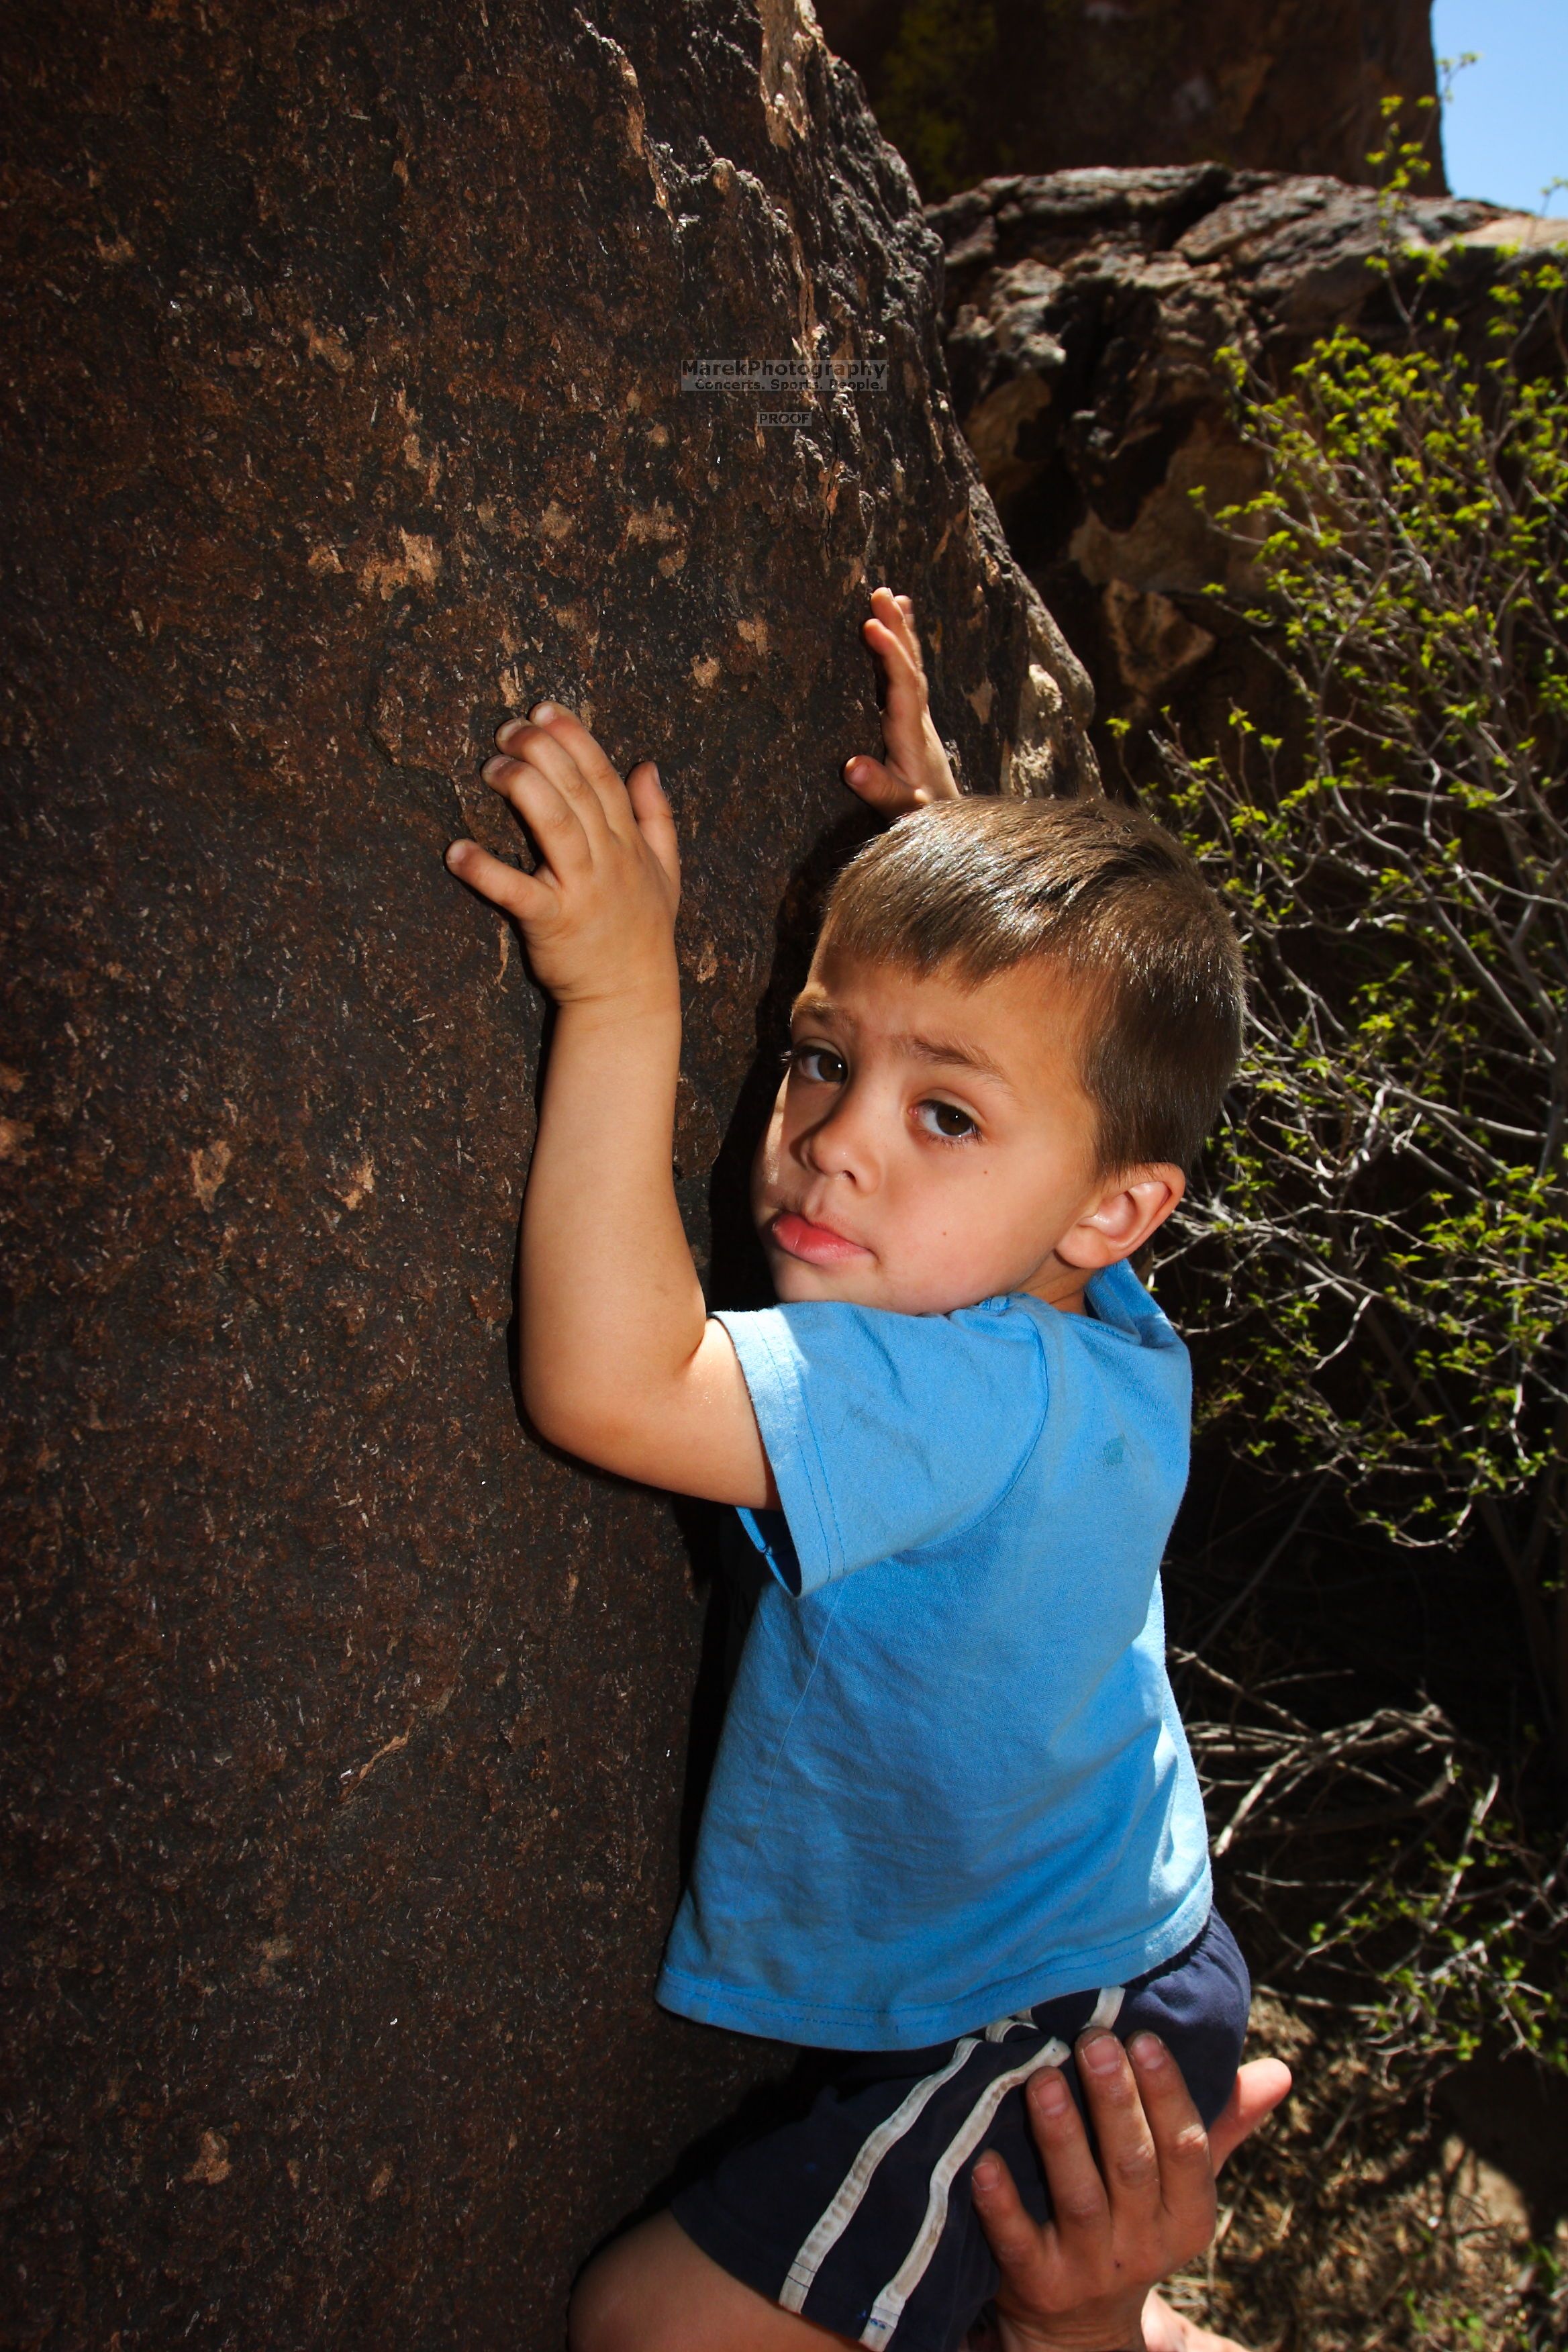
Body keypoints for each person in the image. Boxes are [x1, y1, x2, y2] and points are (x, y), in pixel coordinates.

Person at [445, 589, 1259, 2352]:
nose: (830, 1139)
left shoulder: (944, 1395)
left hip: (1045, 2029)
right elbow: (1057, 1105)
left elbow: (615, 1380)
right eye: (826, 1055)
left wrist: (618, 984)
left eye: (940, 1114)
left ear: (1111, 1207)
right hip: (1110, 1928)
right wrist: (945, 852)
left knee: (656, 2328)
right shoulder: (1085, 1289)